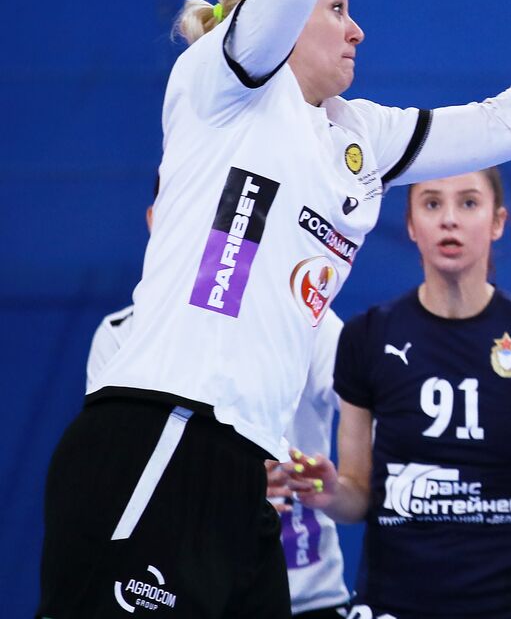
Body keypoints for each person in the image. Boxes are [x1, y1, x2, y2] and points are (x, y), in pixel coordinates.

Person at [41, 0, 511, 617]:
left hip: (240, 468)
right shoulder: (220, 87)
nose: (356, 30)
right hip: (163, 430)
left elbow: (504, 126)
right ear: (276, 19)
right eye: (336, 8)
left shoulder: (358, 139)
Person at [287, 169, 511, 618]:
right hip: (396, 605)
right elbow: (357, 498)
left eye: (468, 203)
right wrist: (328, 492)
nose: (450, 219)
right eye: (431, 204)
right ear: (410, 224)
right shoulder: (367, 337)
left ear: (498, 221)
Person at [85, 195, 351, 617]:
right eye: (188, 212)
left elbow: (373, 448)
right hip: (174, 593)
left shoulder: (308, 321)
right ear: (156, 220)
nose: (204, 231)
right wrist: (229, 486)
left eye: (216, 217)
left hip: (306, 596)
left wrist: (333, 487)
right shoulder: (120, 337)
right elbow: (112, 485)